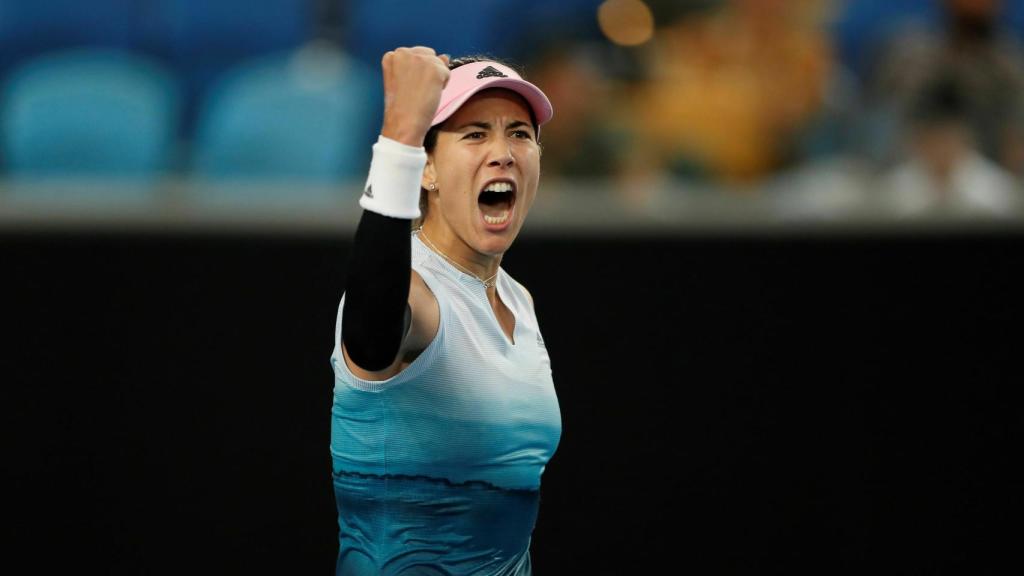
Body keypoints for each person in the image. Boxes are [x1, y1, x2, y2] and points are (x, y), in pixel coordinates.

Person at [329, 46, 562, 575]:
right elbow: (373, 328)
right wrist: (399, 137)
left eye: (519, 133)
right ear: (427, 168)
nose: (502, 151)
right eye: (475, 133)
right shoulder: (415, 295)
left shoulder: (517, 300)